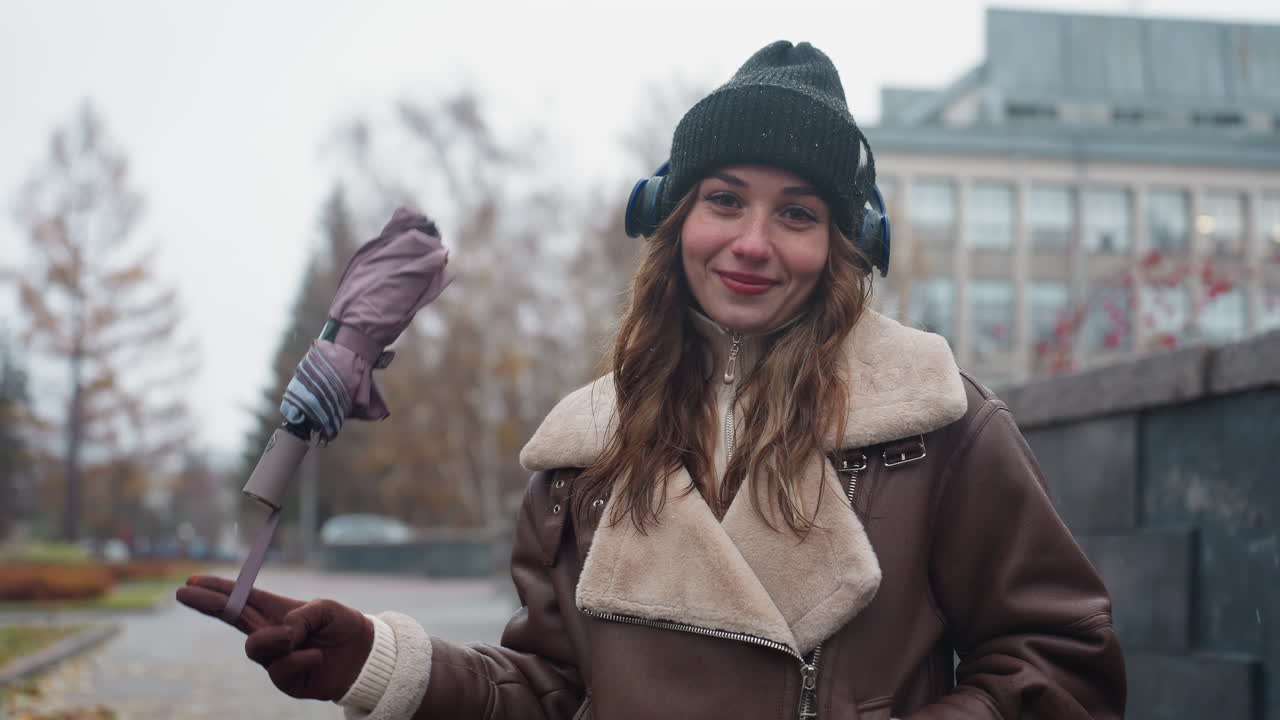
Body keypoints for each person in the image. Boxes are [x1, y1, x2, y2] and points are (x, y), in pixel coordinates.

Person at [178, 41, 1126, 719]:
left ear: (843, 244)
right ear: (672, 223)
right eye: (724, 201)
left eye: (796, 213)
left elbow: (1059, 662)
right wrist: (381, 664)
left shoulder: (940, 422)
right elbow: (551, 690)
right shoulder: (583, 450)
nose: (753, 243)